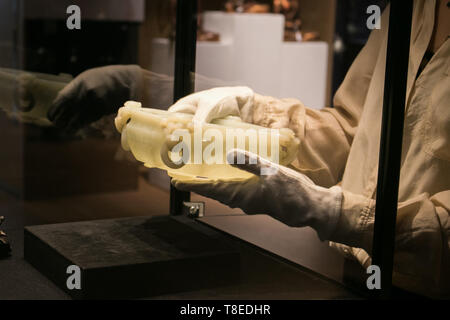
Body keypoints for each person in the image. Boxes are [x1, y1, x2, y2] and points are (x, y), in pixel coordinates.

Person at [48, 0, 449, 297]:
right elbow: (351, 131)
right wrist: (249, 109)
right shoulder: (410, 10)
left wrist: (332, 211)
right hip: (349, 271)